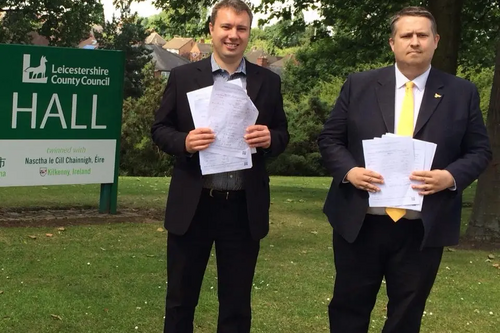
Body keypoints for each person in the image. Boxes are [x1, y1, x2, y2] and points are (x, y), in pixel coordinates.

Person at [318, 6, 491, 333]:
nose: (415, 42)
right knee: (348, 309)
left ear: (436, 41)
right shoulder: (359, 85)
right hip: (361, 222)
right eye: (406, 35)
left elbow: (480, 150)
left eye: (422, 35)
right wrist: (350, 172)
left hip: (421, 227)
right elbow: (330, 140)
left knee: (406, 316)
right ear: (392, 43)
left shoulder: (461, 92)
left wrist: (450, 177)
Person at [151, 0, 289, 332]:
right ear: (211, 30)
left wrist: (270, 138)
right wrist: (184, 142)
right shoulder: (184, 77)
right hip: (194, 205)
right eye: (226, 27)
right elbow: (159, 129)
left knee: (236, 305)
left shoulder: (267, 82)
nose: (233, 35)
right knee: (181, 300)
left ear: (249, 33)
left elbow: (283, 134)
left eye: (241, 28)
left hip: (242, 208)